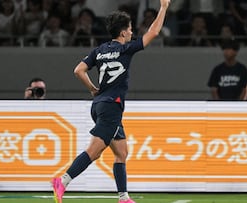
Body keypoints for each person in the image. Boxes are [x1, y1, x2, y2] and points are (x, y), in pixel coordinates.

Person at [51, 1, 171, 203]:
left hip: (99, 105)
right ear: (123, 33)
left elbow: (78, 70)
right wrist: (164, 8)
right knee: (94, 152)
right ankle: (62, 181)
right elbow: (154, 32)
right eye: (130, 29)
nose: (132, 33)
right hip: (112, 107)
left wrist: (92, 89)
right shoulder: (126, 49)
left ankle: (123, 197)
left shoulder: (99, 50)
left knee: (121, 151)